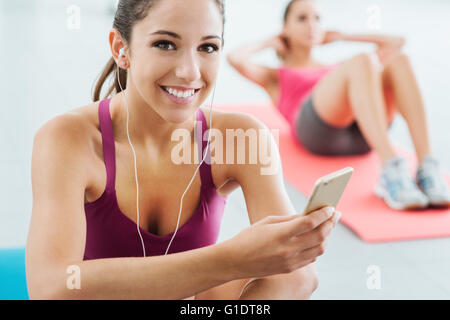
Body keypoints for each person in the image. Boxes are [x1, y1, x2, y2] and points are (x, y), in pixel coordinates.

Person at [26, 0, 341, 300]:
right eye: (165, 44)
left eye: (207, 47)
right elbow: (52, 286)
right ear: (121, 48)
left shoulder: (242, 138)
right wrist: (231, 259)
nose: (190, 72)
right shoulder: (68, 139)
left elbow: (300, 277)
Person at [227, 0, 450, 211]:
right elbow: (235, 58)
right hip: (317, 132)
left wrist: (342, 36)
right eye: (302, 18)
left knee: (399, 60)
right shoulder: (275, 75)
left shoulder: (340, 69)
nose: (312, 25)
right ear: (285, 28)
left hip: (362, 133)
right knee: (363, 61)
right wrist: (270, 41)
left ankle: (426, 167)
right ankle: (390, 169)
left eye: (317, 18)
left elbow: (397, 42)